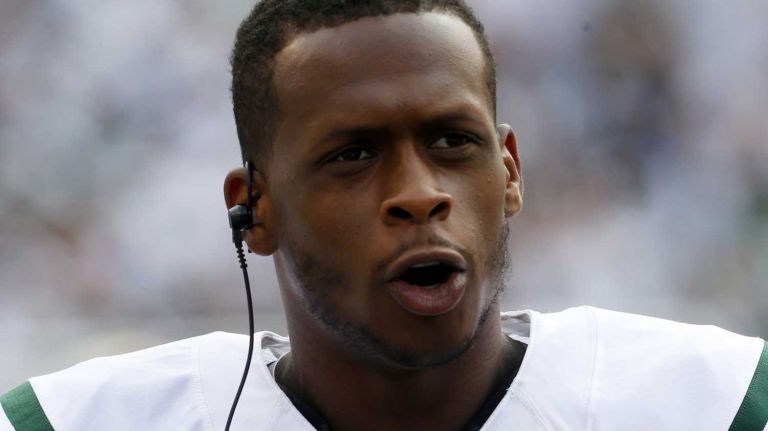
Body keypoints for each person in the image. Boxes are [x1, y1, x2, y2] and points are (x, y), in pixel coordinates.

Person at [1, 1, 766, 430]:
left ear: (509, 172)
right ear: (253, 209)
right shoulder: (82, 423)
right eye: (354, 155)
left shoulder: (712, 402)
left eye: (452, 141)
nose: (419, 191)